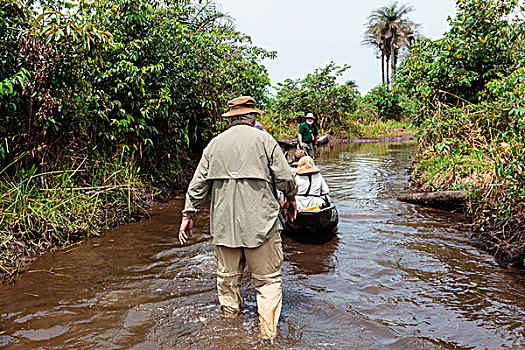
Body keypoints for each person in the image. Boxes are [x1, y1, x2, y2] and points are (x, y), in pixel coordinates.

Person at [178, 96, 298, 340]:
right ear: (253, 118)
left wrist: (188, 214)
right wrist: (291, 197)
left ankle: (230, 334)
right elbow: (286, 179)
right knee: (267, 283)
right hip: (262, 226)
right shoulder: (265, 140)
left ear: (231, 119)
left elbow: (198, 184)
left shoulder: (214, 144)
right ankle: (267, 336)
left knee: (227, 284)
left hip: (224, 229)